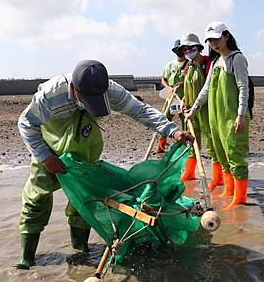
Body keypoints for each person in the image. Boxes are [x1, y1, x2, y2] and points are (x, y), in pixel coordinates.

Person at [15, 60, 194, 269]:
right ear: (74, 89)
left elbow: (140, 111)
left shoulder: (111, 90)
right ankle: (26, 256)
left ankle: (81, 247)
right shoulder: (51, 95)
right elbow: (26, 123)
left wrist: (172, 130)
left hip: (84, 144)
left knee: (86, 194)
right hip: (49, 144)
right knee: (37, 195)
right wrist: (45, 156)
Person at [185, 22, 251, 210]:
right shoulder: (215, 62)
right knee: (221, 153)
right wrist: (194, 109)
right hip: (216, 117)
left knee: (234, 154)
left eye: (216, 39)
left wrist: (240, 115)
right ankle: (229, 190)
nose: (213, 43)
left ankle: (240, 197)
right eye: (210, 41)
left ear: (226, 36)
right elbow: (206, 90)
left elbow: (243, 87)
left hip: (232, 117)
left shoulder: (236, 59)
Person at [176, 33, 216, 183]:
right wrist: (184, 101)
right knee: (191, 141)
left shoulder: (208, 64)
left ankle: (217, 178)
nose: (187, 52)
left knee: (212, 142)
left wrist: (196, 107)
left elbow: (208, 89)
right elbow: (188, 87)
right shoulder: (187, 66)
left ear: (198, 47)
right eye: (185, 49)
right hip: (189, 111)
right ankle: (190, 173)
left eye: (190, 48)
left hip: (206, 110)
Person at [157, 39, 188, 153]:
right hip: (171, 98)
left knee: (186, 122)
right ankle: (161, 145)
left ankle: (184, 146)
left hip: (184, 99)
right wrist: (168, 88)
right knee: (164, 120)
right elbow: (163, 79)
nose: (180, 51)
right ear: (175, 50)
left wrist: (183, 84)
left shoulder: (190, 64)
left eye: (182, 49)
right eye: (178, 49)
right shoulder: (170, 65)